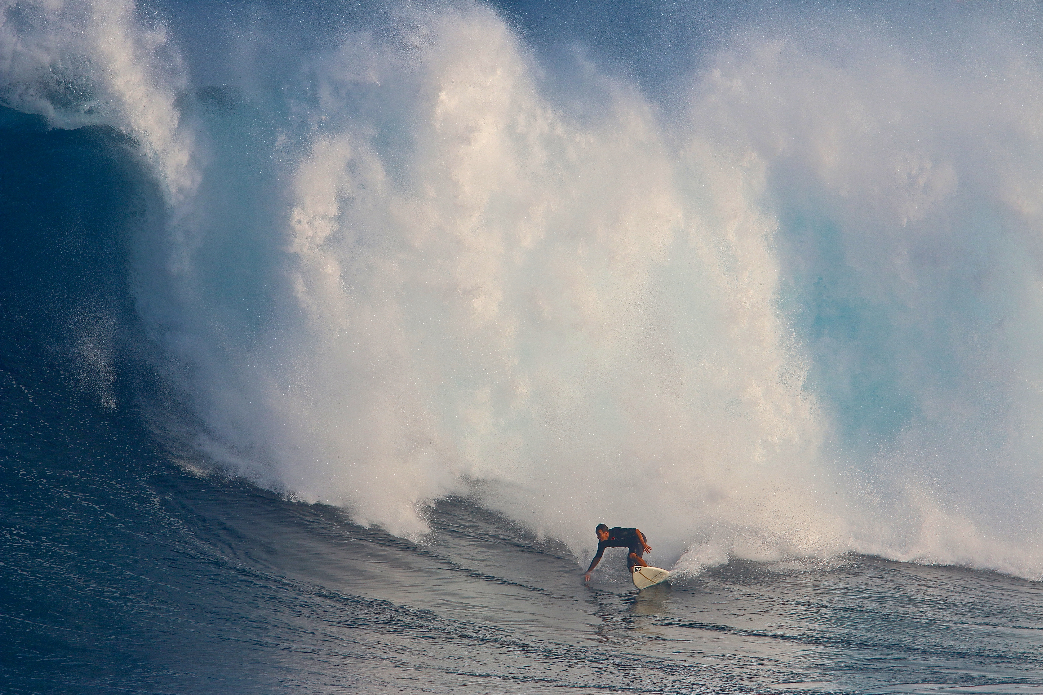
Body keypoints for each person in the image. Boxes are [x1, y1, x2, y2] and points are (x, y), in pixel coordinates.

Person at [583, 523, 652, 582]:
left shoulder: (617, 532)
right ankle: (643, 578)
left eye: (599, 534)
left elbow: (636, 531)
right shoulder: (602, 543)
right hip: (631, 545)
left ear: (606, 533)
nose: (598, 537)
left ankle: (650, 571)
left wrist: (644, 544)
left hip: (639, 539)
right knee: (631, 568)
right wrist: (589, 571)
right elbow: (598, 557)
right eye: (597, 534)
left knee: (632, 555)